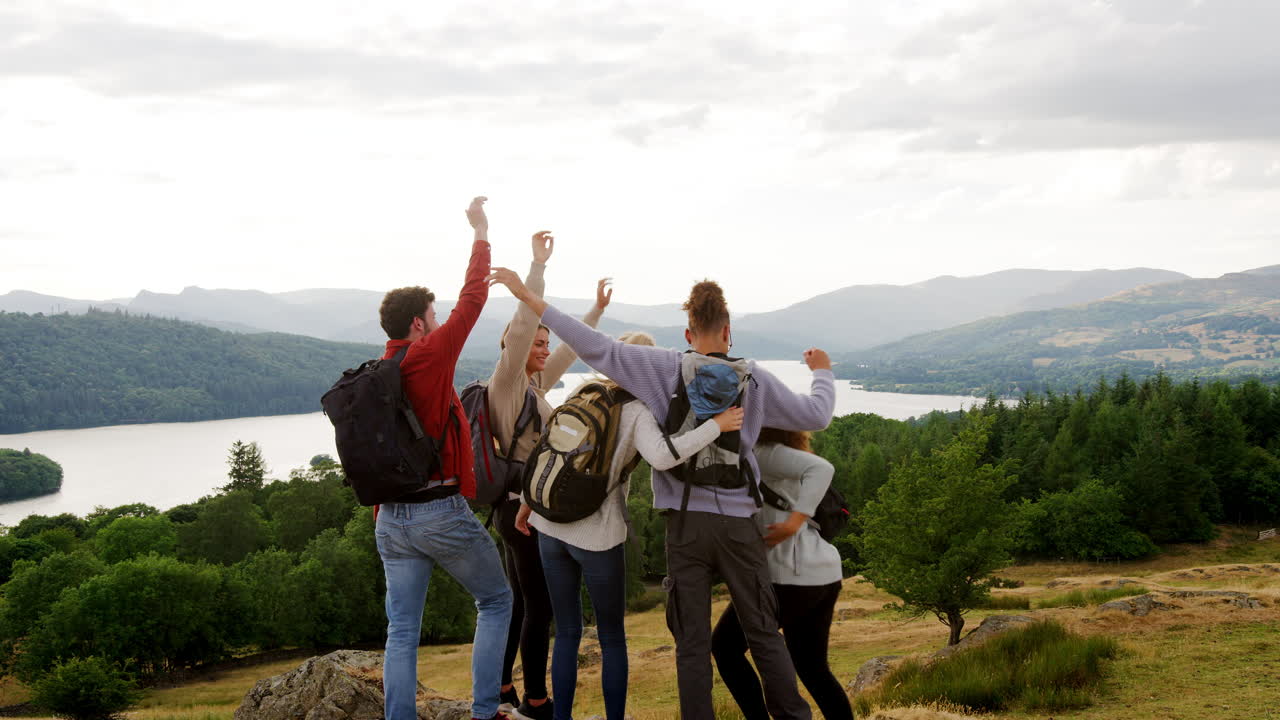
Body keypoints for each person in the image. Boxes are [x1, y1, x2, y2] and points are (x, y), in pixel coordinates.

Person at [485, 271, 835, 720]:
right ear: (728, 331)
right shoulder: (757, 379)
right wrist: (821, 372)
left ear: (688, 332)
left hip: (685, 526)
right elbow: (817, 414)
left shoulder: (663, 366)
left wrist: (528, 297)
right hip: (739, 527)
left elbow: (596, 346)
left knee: (691, 643)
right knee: (763, 632)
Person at [513, 329, 747, 720]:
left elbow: (551, 451)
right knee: (611, 638)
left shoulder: (584, 391)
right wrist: (716, 426)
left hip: (549, 528)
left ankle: (562, 718)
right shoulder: (637, 410)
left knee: (567, 632)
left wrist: (527, 503)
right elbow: (662, 457)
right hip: (597, 535)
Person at [375, 197, 514, 720]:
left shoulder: (377, 373)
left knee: (402, 629)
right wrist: (481, 233)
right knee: (497, 601)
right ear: (417, 324)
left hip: (390, 518)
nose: (439, 323)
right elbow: (472, 300)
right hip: (439, 512)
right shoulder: (428, 356)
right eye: (432, 318)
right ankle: (485, 712)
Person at [485, 231, 610, 720]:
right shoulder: (508, 383)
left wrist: (594, 315)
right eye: (536, 343)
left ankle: (500, 687)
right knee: (541, 607)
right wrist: (535, 272)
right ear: (515, 348)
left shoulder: (533, 385)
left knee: (519, 601)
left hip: (517, 506)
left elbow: (568, 354)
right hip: (519, 510)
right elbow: (521, 331)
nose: (543, 347)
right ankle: (536, 699)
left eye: (545, 341)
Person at [711, 428, 853, 720]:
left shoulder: (763, 453)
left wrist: (792, 523)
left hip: (790, 576)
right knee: (813, 668)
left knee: (725, 648)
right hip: (821, 574)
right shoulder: (789, 455)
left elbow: (822, 468)